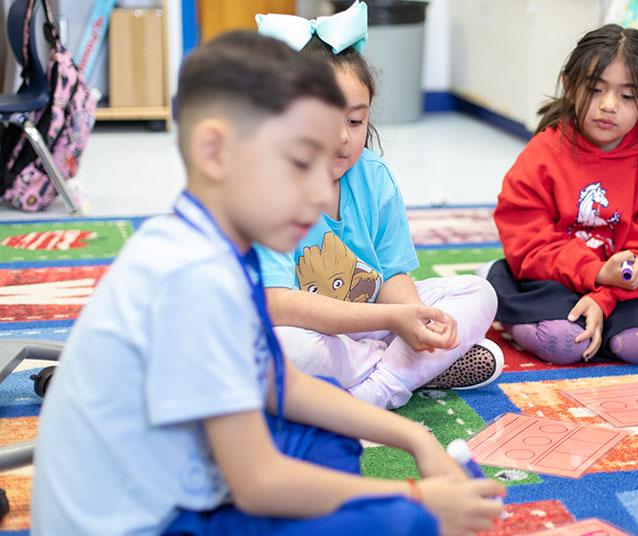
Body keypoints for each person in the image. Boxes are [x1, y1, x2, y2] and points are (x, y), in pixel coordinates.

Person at [30, 32, 504, 536]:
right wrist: (415, 497)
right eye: (302, 163)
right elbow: (258, 483)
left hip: (182, 480)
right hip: (147, 521)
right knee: (400, 519)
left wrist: (417, 440)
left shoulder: (214, 245)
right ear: (215, 151)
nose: (323, 191)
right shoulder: (192, 277)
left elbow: (280, 381)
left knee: (329, 434)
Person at [255, 4, 503, 410]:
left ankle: (375, 385)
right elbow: (279, 304)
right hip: (307, 329)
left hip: (372, 323)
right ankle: (407, 372)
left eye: (355, 122)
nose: (341, 137)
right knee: (277, 348)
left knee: (479, 292)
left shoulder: (374, 177)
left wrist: (415, 318)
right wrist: (392, 323)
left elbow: (391, 276)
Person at [483, 23, 638, 365]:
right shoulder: (542, 153)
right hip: (553, 279)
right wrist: (595, 273)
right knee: (564, 342)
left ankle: (605, 323)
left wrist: (605, 296)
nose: (609, 105)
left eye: (627, 96)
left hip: (628, 289)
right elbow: (528, 241)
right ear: (570, 87)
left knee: (637, 346)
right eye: (596, 90)